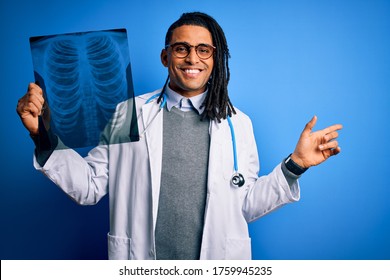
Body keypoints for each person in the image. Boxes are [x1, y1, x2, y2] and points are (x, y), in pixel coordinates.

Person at [16, 12, 342, 260]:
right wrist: (41, 135)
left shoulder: (238, 123)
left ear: (215, 60)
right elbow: (89, 186)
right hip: (141, 262)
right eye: (182, 48)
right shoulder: (129, 112)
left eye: (204, 49)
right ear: (166, 57)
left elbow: (246, 205)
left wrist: (296, 164)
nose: (192, 58)